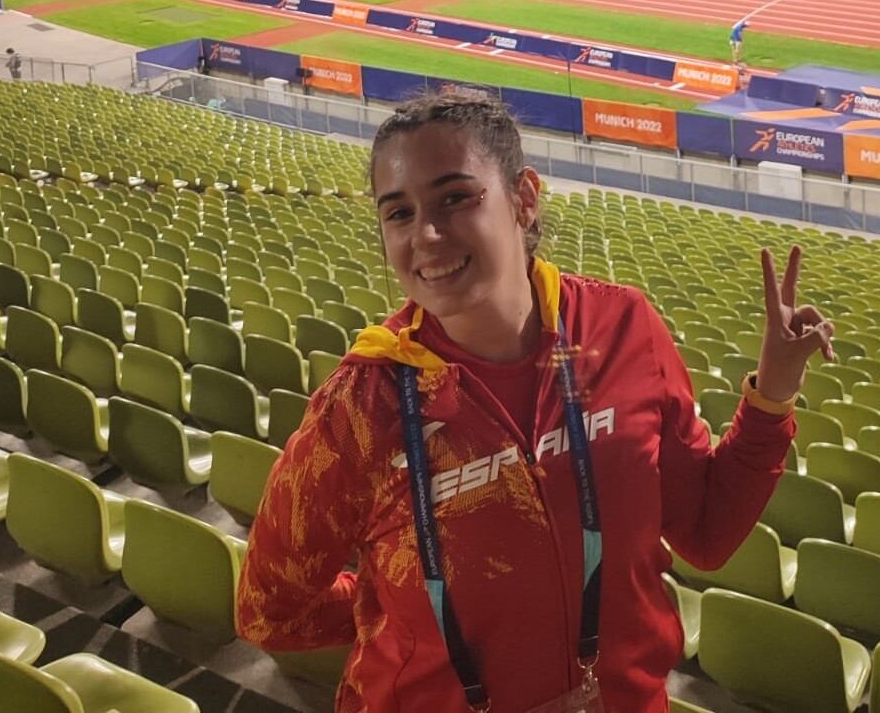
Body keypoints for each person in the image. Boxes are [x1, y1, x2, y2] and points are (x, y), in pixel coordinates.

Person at [236, 89, 831, 713]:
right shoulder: (361, 408)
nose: (428, 235)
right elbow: (268, 613)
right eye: (399, 213)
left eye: (456, 198)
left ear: (524, 198)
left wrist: (773, 396)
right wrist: (398, 613)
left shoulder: (621, 326)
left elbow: (706, 536)